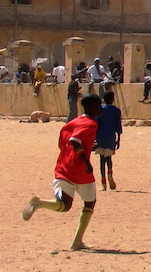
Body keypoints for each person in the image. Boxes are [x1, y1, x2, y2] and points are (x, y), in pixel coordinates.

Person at [21, 93, 103, 251]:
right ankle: (77, 241)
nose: (101, 109)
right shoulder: (91, 124)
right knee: (89, 202)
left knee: (64, 205)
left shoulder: (73, 122)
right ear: (91, 107)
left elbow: (64, 141)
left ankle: (40, 203)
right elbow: (74, 140)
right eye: (99, 106)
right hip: (80, 169)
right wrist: (86, 161)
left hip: (63, 165)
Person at [94, 91, 122, 191]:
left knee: (102, 160)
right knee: (109, 158)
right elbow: (118, 125)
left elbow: (96, 124)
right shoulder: (116, 110)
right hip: (111, 136)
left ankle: (103, 182)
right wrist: (118, 139)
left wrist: (94, 138)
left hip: (101, 136)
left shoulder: (101, 110)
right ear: (113, 99)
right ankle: (110, 173)